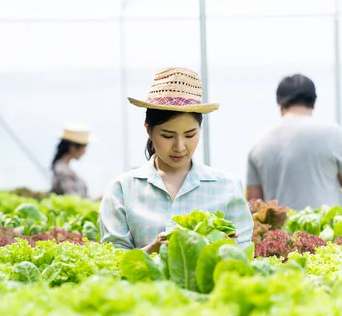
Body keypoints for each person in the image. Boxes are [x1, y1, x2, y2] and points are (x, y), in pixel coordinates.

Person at [99, 67, 253, 252]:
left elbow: (244, 257)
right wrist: (153, 250)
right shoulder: (122, 189)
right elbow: (113, 260)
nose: (180, 147)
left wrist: (228, 247)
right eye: (167, 135)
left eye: (190, 135)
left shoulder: (227, 187)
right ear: (149, 130)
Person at [246, 74, 342, 211]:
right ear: (313, 103)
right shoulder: (332, 133)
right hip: (325, 230)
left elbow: (253, 202)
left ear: (280, 104)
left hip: (279, 231)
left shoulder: (259, 143)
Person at [50, 122, 94, 198]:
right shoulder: (62, 170)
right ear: (72, 147)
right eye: (84, 147)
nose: (84, 151)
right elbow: (73, 198)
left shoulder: (63, 168)